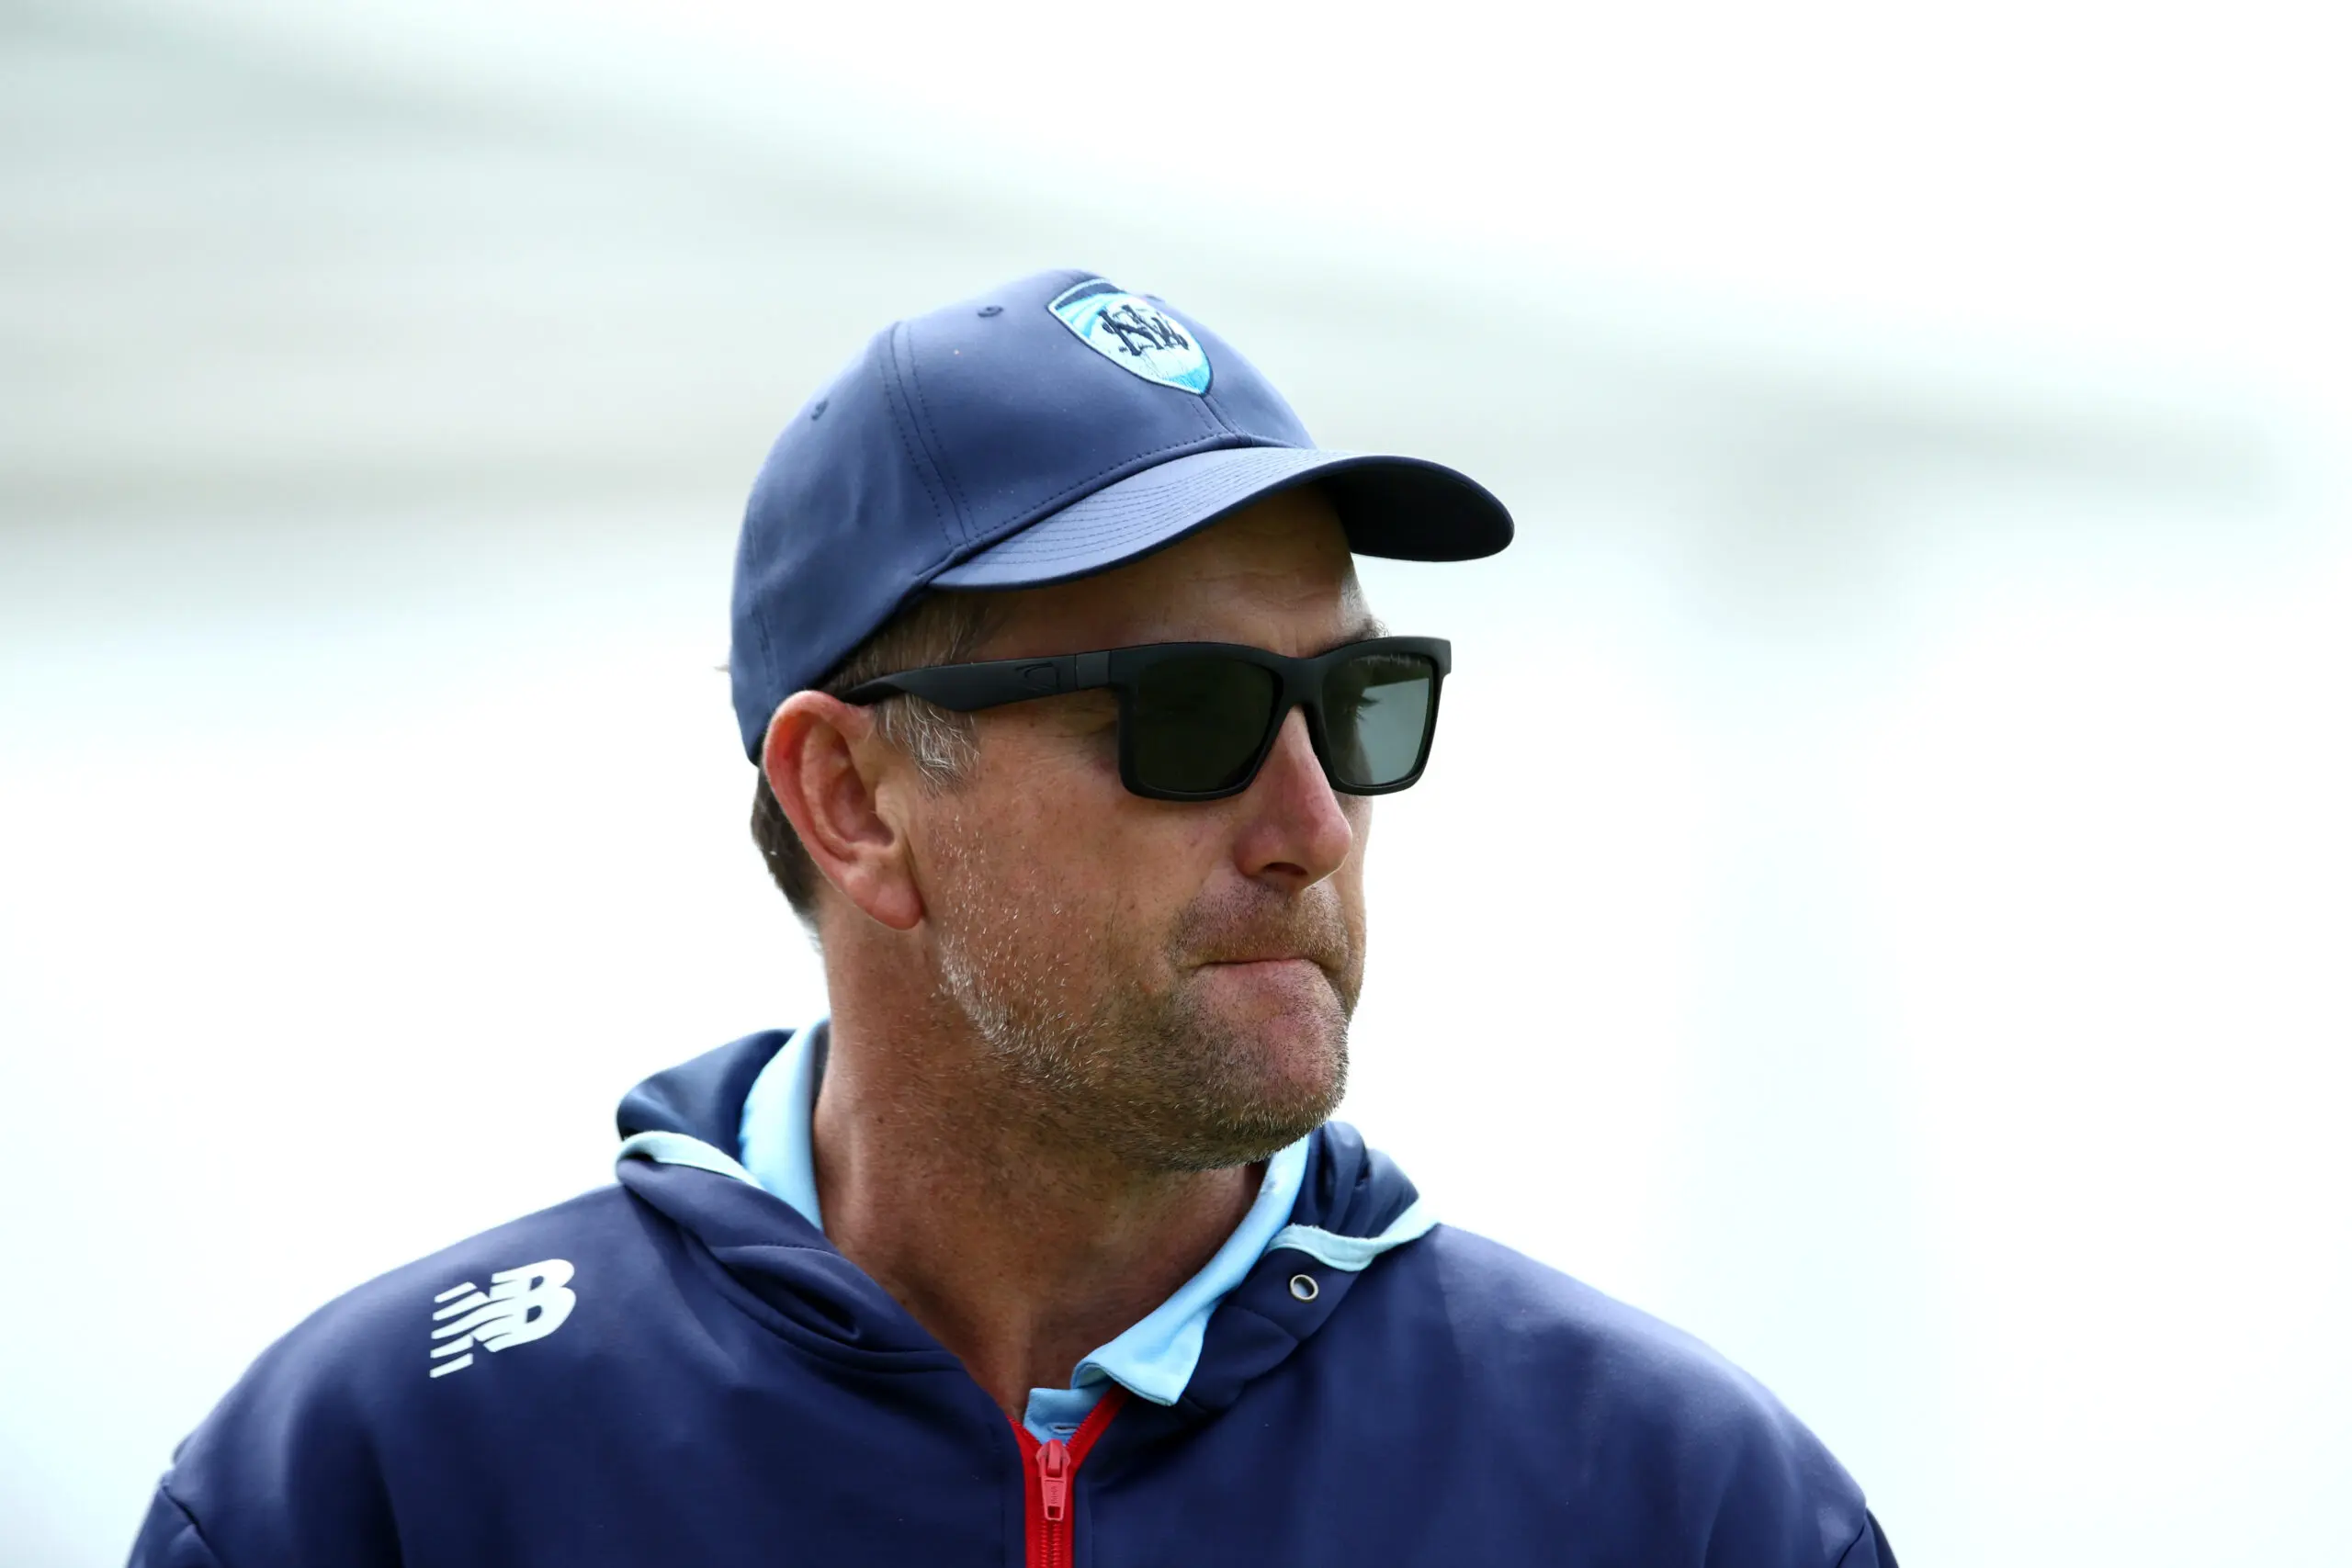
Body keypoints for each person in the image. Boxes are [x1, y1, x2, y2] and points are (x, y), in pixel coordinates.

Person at [129, 271, 1896, 1567]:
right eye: (1190, 712)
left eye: (1361, 703)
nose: (1313, 827)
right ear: (851, 799)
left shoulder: (1673, 1501)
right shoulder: (387, 1478)